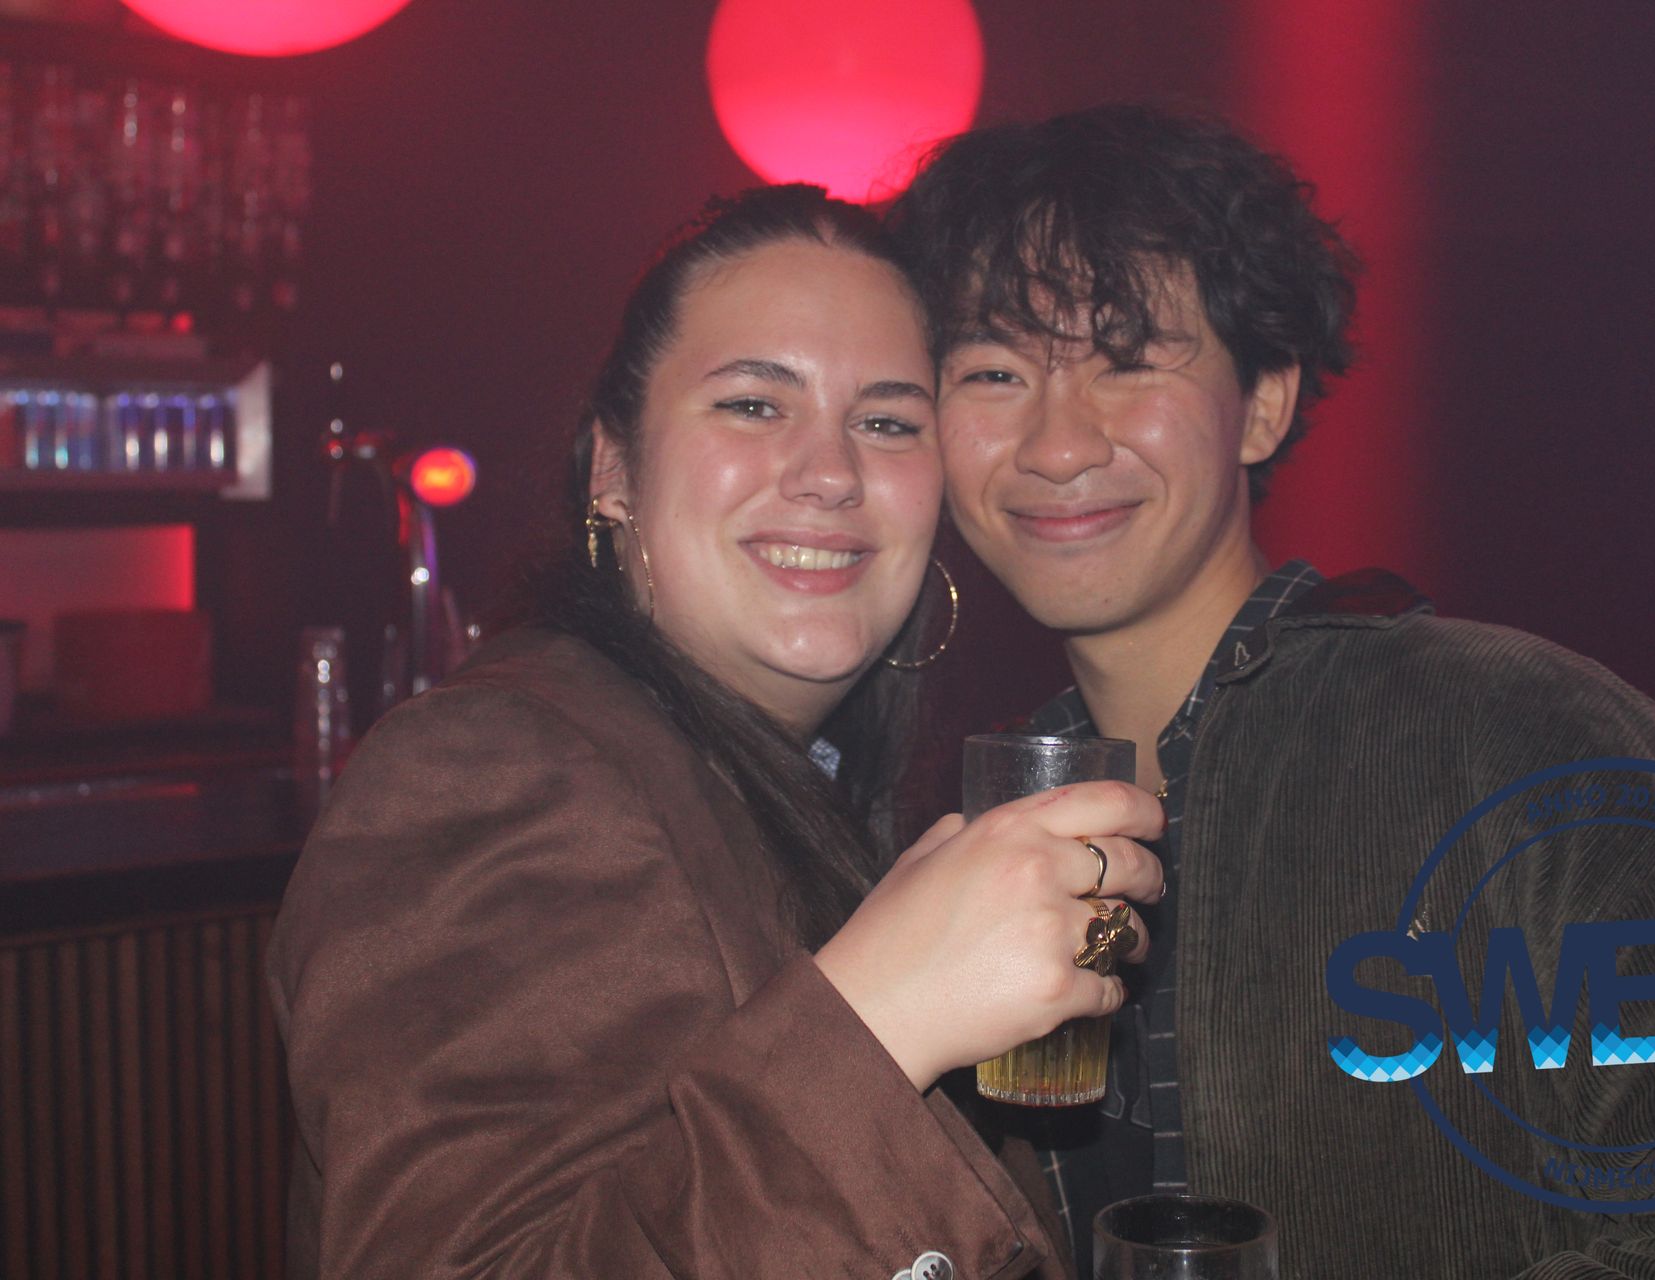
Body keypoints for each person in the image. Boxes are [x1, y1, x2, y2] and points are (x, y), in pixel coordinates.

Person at [890, 105, 1655, 1278]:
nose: (1058, 443)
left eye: (1127, 359)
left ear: (1264, 400)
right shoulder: (964, 822)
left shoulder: (1511, 739)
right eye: (994, 370)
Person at [265, 184, 1167, 1279]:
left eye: (887, 423)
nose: (830, 473)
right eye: (752, 404)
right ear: (613, 471)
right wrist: (883, 1017)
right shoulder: (492, 766)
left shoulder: (810, 785)